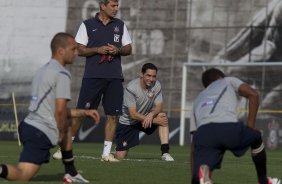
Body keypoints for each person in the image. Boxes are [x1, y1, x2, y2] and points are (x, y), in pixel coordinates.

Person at [0, 33, 100, 183]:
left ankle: (71, 172)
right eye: (73, 49)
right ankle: (71, 173)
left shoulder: (42, 71)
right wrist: (59, 133)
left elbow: (52, 108)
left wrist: (84, 112)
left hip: (27, 126)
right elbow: (59, 111)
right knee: (23, 175)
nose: (77, 53)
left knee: (67, 126)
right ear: (61, 50)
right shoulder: (61, 73)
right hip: (40, 131)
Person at [54, 0, 132, 162]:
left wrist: (118, 50)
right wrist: (97, 49)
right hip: (92, 76)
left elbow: (128, 48)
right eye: (113, 5)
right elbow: (79, 49)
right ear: (103, 6)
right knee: (81, 113)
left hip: (115, 77)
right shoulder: (87, 24)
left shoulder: (120, 25)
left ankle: (106, 154)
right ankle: (64, 149)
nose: (116, 9)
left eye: (117, 6)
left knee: (113, 115)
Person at [190, 68, 280, 184]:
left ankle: (204, 173)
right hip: (228, 128)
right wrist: (250, 128)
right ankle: (263, 180)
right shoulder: (227, 81)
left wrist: (193, 178)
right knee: (256, 136)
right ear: (221, 76)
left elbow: (193, 147)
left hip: (204, 134)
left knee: (204, 166)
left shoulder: (197, 99)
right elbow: (253, 95)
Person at [114, 63, 174, 161]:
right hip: (128, 123)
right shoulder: (131, 88)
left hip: (144, 118)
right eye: (148, 75)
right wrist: (153, 121)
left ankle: (165, 152)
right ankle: (114, 152)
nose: (151, 79)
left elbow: (159, 106)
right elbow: (133, 114)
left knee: (162, 116)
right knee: (120, 156)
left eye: (154, 76)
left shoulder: (157, 85)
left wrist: (151, 114)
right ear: (141, 74)